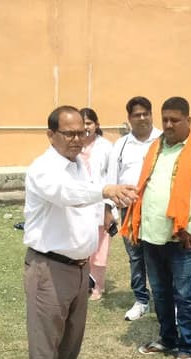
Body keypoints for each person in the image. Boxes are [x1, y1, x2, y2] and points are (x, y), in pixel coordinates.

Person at [23, 105, 137, 359]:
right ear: (51, 135)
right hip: (49, 268)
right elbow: (67, 194)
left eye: (82, 133)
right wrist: (105, 190)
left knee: (71, 339)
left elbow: (87, 202)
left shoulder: (80, 166)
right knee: (46, 343)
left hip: (78, 267)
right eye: (69, 133)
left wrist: (107, 208)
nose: (77, 139)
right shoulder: (44, 168)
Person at [123, 97, 191, 359]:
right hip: (151, 236)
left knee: (184, 294)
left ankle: (186, 347)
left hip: (182, 239)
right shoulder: (156, 148)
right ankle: (167, 338)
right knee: (160, 292)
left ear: (188, 120)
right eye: (165, 119)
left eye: (175, 120)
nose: (168, 125)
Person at [106, 96, 163, 320]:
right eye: (137, 115)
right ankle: (141, 300)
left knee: (160, 256)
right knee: (135, 256)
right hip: (129, 210)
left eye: (145, 113)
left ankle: (164, 301)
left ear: (151, 115)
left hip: (158, 210)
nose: (142, 118)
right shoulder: (121, 145)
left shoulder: (163, 140)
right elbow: (112, 179)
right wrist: (108, 209)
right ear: (129, 118)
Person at [79, 107, 113, 300]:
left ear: (96, 124)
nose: (85, 127)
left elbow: (111, 178)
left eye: (89, 123)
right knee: (81, 248)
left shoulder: (106, 147)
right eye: (82, 124)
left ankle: (98, 286)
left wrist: (109, 207)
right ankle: (83, 284)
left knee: (99, 249)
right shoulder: (73, 146)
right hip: (79, 206)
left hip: (100, 205)